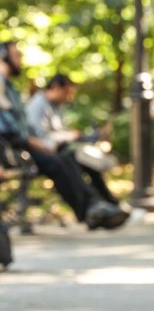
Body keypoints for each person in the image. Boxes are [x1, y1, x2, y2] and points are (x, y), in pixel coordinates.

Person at [0, 42, 128, 231]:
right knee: (59, 161)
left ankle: (95, 208)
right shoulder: (3, 85)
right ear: (3, 56)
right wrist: (33, 141)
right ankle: (92, 210)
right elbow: (7, 127)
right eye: (16, 55)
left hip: (27, 144)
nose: (20, 59)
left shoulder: (10, 87)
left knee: (66, 159)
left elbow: (24, 126)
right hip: (15, 148)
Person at [26, 73, 123, 209]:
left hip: (56, 151)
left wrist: (74, 135)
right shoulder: (38, 105)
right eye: (67, 92)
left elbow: (57, 132)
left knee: (89, 164)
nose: (69, 97)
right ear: (55, 87)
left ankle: (107, 204)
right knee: (71, 161)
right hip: (42, 154)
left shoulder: (54, 106)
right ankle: (93, 207)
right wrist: (69, 136)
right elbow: (41, 139)